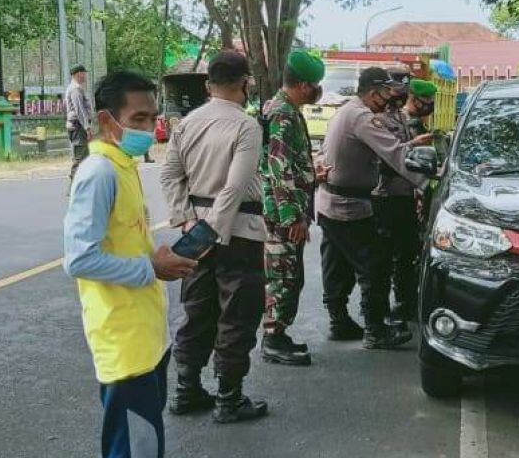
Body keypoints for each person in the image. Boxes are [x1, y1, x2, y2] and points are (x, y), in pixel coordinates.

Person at [63, 71, 198, 458]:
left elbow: (128, 244)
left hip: (147, 333)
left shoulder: (123, 164)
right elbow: (79, 259)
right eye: (138, 119)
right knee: (134, 449)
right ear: (107, 121)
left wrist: (158, 261)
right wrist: (150, 269)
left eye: (152, 118)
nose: (148, 127)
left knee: (146, 442)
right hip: (124, 341)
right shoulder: (99, 171)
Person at [161, 51, 269, 424]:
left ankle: (186, 390)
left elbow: (170, 176)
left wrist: (188, 220)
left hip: (196, 233)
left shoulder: (187, 124)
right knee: (237, 315)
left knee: (196, 310)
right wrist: (214, 230)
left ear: (208, 85)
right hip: (238, 234)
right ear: (245, 83)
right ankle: (229, 398)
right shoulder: (246, 126)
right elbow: (235, 187)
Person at [316, 67, 432, 349]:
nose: (389, 97)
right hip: (347, 204)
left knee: (338, 263)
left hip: (333, 201)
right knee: (376, 263)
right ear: (372, 91)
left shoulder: (348, 110)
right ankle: (376, 329)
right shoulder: (362, 117)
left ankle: (339, 320)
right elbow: (395, 152)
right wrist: (429, 179)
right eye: (385, 92)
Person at [259, 51, 326, 367]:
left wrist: (312, 175)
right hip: (283, 213)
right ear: (302, 85)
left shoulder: (283, 108)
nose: (317, 91)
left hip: (287, 206)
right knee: (283, 275)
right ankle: (272, 338)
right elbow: (277, 165)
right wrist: (292, 216)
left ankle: (278, 333)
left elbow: (288, 164)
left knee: (289, 274)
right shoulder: (283, 113)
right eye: (315, 85)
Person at [373, 78, 437, 327]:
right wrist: (414, 144)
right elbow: (390, 156)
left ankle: (404, 303)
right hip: (387, 195)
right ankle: (383, 312)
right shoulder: (383, 120)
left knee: (408, 252)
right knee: (387, 256)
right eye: (426, 103)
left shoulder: (404, 118)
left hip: (408, 195)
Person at [65, 65, 94, 179]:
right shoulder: (75, 89)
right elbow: (80, 110)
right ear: (78, 74)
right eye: (84, 73)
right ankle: (73, 188)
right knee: (80, 158)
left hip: (78, 126)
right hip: (78, 127)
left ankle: (79, 186)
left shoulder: (76, 88)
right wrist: (87, 128)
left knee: (84, 158)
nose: (85, 75)